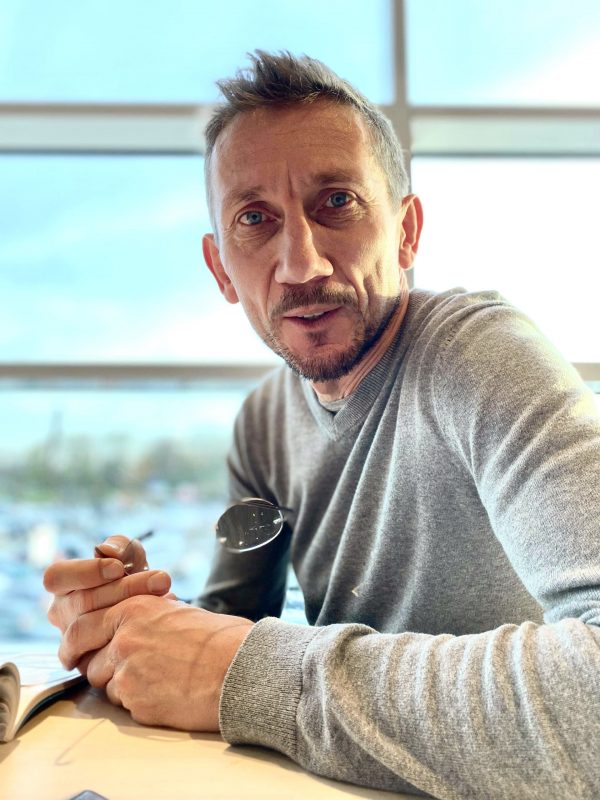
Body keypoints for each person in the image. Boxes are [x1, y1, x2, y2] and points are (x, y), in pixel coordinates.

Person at [43, 51, 600, 799]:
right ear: (220, 268)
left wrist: (254, 676)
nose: (301, 265)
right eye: (255, 220)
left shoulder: (483, 359)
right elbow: (233, 624)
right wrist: (140, 612)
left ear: (406, 232)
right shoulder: (263, 423)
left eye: (337, 202)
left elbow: (241, 664)